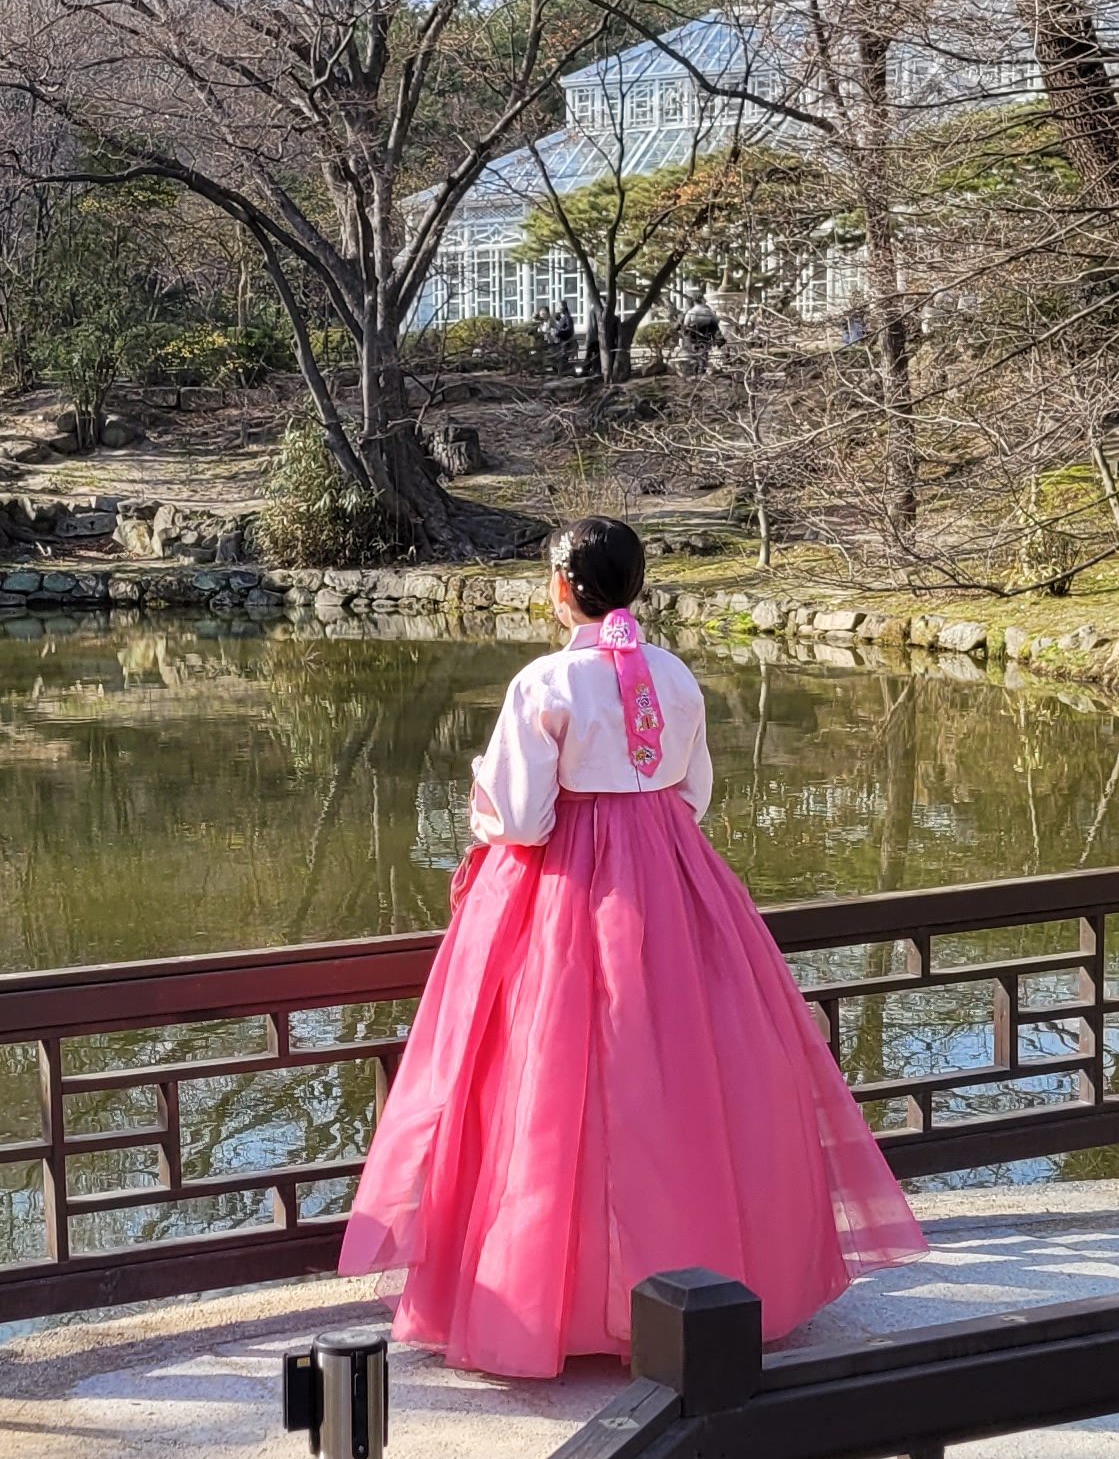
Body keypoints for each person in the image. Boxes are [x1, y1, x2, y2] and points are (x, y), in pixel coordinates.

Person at [339, 518, 923, 1378]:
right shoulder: (675, 674)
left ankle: (557, 1301)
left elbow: (519, 817)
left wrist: (507, 817)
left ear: (565, 586)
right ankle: (700, 1281)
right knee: (687, 1077)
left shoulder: (547, 681)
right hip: (674, 878)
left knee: (553, 1082)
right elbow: (695, 790)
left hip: (569, 890)